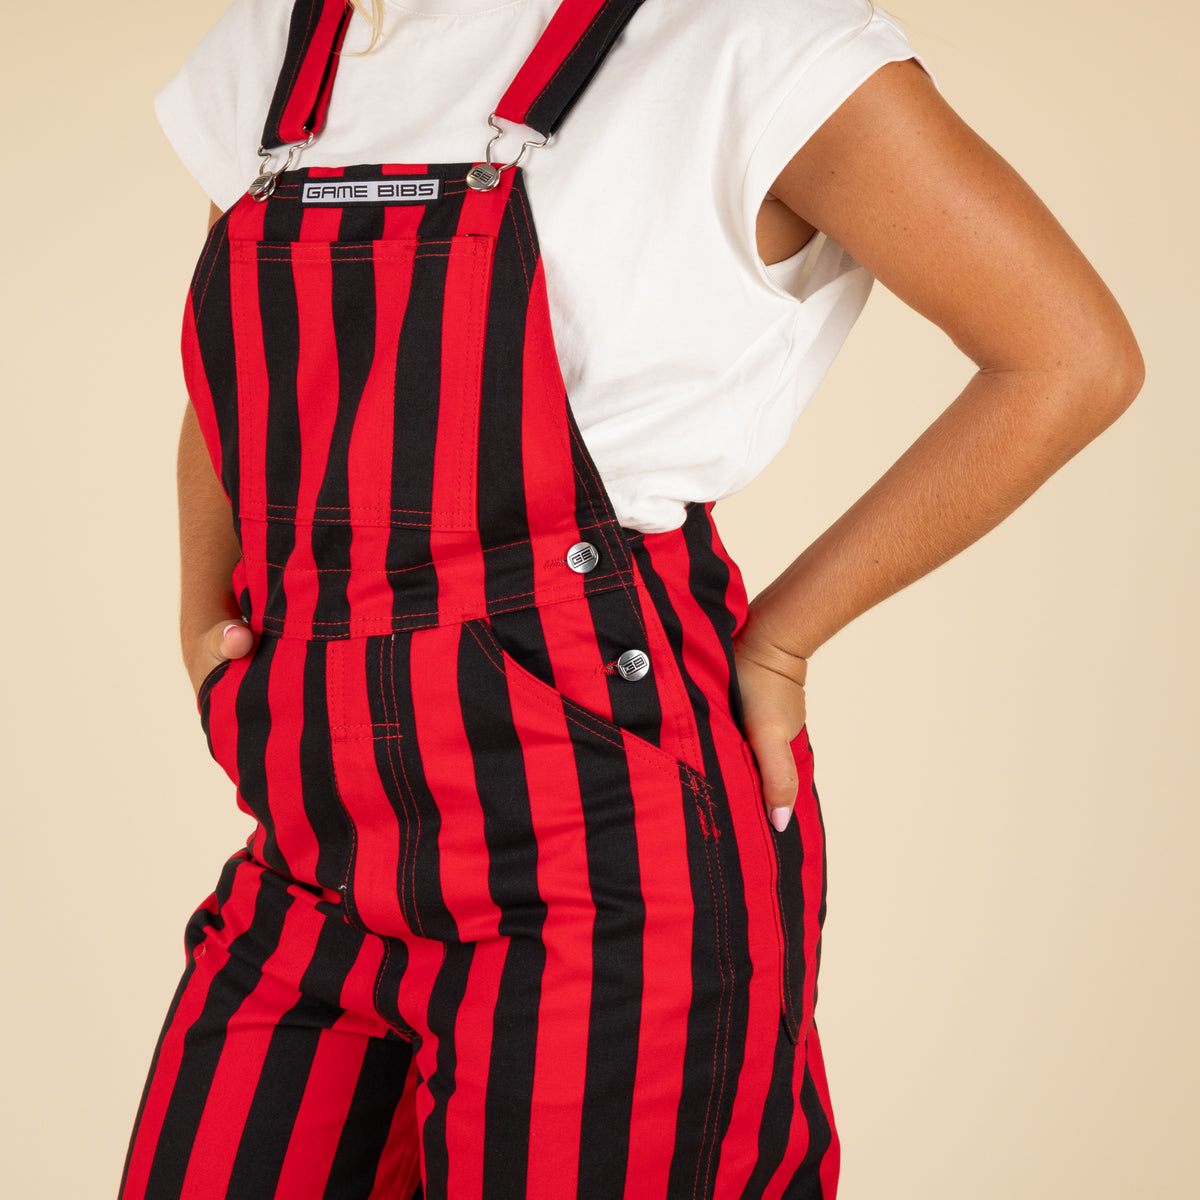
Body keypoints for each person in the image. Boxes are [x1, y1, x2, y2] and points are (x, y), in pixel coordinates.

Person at [120, 1, 1143, 1197]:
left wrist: (784, 641)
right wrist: (206, 628)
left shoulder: (749, 40)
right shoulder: (282, 50)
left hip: (602, 846)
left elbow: (1069, 356)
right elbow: (236, 385)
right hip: (315, 844)